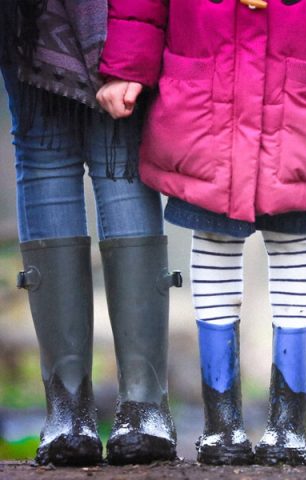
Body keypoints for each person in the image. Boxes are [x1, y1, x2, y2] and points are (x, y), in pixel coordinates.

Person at [96, 0, 306, 466]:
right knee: (213, 241)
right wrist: (127, 64)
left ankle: (289, 425)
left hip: (297, 100)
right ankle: (221, 424)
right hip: (204, 98)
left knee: (293, 245)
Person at [0, 0, 180, 467]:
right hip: (28, 23)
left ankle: (142, 402)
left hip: (118, 23)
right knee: (44, 155)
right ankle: (69, 406)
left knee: (114, 153)